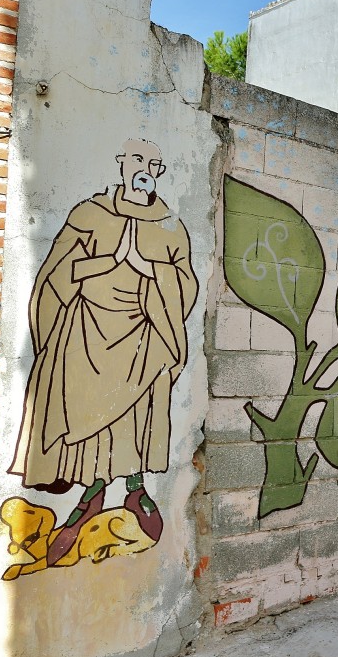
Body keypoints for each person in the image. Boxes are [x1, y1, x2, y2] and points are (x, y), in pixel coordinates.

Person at [10, 139, 197, 566]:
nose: (144, 169)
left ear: (160, 172)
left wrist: (148, 268)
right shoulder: (89, 214)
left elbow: (184, 285)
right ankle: (92, 494)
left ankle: (133, 488)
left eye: (153, 163)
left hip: (144, 333)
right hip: (86, 328)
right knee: (88, 416)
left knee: (132, 417)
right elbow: (57, 273)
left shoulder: (170, 226)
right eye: (136, 160)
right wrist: (110, 260)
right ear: (122, 165)